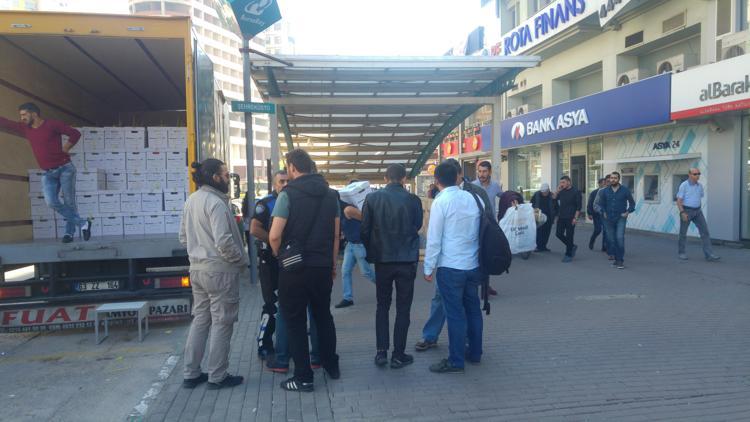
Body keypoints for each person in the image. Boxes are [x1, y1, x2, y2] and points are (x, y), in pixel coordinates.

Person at [269, 149, 340, 392]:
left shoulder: (287, 195)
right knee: (323, 316)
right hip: (321, 267)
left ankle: (303, 377)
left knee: (295, 321)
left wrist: (281, 256)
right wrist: (332, 264)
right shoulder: (332, 196)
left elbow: (275, 235)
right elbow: (335, 237)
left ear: (291, 167)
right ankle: (331, 365)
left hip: (294, 270)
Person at [180, 158, 248, 390]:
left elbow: (183, 237)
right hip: (219, 271)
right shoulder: (217, 203)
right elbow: (224, 242)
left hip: (197, 269)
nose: (228, 179)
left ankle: (191, 373)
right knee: (222, 322)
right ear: (215, 177)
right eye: (226, 175)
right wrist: (240, 260)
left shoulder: (192, 200)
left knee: (200, 319)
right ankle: (217, 376)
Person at [415, 159, 493, 352]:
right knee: (473, 310)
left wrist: (428, 267)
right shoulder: (475, 198)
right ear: (456, 176)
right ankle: (474, 352)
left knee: (455, 313)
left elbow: (434, 239)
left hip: (450, 267)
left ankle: (456, 359)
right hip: (472, 265)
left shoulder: (442, 201)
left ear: (437, 179)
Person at [0, 103, 92, 243]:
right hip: (48, 173)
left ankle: (69, 233)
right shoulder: (25, 128)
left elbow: (75, 133)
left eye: (24, 115)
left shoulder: (52, 124)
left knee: (69, 203)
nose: (22, 118)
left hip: (65, 169)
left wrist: (66, 148)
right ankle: (83, 223)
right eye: (21, 115)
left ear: (34, 114)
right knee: (51, 202)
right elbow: (6, 123)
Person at [360, 164, 423, 369]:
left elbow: (365, 230)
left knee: (382, 306)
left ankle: (381, 352)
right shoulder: (413, 200)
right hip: (406, 260)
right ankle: (398, 354)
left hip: (383, 260)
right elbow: (418, 225)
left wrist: (372, 251)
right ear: (404, 178)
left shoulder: (372, 199)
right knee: (403, 308)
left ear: (386, 178)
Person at [248, 170, 288, 360]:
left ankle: (286, 341)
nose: (285, 184)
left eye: (288, 181)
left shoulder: (292, 200)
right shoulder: (265, 204)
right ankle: (264, 343)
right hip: (269, 261)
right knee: (271, 305)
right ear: (274, 184)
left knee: (288, 303)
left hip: (285, 259)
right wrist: (275, 244)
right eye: (281, 181)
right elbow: (255, 228)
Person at [335, 182, 376, 309]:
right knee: (345, 271)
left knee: (366, 272)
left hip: (359, 244)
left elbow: (367, 219)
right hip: (351, 244)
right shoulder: (342, 209)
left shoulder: (348, 209)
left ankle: (383, 286)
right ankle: (348, 298)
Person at [676, 168, 720, 261]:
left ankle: (709, 255)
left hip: (698, 211)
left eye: (698, 174)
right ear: (689, 175)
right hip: (686, 210)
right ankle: (682, 253)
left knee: (705, 232)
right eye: (695, 174)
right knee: (683, 233)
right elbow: (679, 201)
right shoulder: (684, 185)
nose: (697, 176)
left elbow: (698, 197)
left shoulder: (699, 186)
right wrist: (682, 212)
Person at [594, 172, 636, 269]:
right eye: (611, 178)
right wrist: (603, 211)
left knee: (619, 238)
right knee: (611, 240)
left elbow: (632, 204)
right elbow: (600, 204)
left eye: (615, 178)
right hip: (608, 219)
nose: (613, 180)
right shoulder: (604, 191)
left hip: (621, 218)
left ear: (618, 179)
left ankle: (620, 260)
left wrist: (627, 212)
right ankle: (617, 259)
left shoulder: (625, 190)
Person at [552, 175, 582, 263]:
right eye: (560, 182)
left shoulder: (576, 192)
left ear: (569, 182)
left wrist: (575, 218)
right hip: (561, 217)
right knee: (558, 234)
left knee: (569, 236)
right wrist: (557, 190)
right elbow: (553, 198)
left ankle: (568, 254)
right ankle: (572, 246)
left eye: (563, 182)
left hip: (571, 217)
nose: (561, 184)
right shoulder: (561, 191)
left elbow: (578, 207)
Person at [531, 183, 555, 252]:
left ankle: (543, 246)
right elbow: (531, 203)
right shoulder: (537, 194)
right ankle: (538, 246)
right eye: (542, 192)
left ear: (548, 190)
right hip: (538, 216)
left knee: (546, 232)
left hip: (549, 216)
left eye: (545, 192)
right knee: (539, 232)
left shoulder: (552, 195)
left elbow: (555, 205)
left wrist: (556, 215)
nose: (544, 193)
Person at [587, 178, 608, 252]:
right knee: (598, 230)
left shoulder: (607, 192)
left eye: (606, 183)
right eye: (604, 183)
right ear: (599, 184)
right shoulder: (594, 193)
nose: (605, 184)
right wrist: (589, 213)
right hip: (596, 214)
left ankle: (604, 247)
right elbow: (590, 203)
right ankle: (592, 239)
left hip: (605, 214)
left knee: (605, 230)